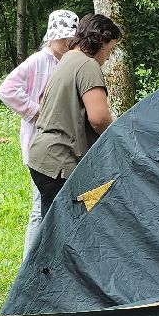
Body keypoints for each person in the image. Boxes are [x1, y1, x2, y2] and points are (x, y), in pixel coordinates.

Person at [0, 9, 79, 260]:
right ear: (52, 37)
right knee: (39, 206)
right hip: (39, 145)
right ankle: (29, 263)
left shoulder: (71, 61)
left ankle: (55, 257)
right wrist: (37, 112)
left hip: (64, 145)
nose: (66, 43)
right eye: (62, 38)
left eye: (70, 38)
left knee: (59, 203)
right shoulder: (38, 62)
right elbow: (7, 89)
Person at [28, 14, 123, 210]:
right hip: (60, 161)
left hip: (43, 157)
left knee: (53, 222)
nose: (109, 56)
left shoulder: (67, 59)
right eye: (111, 49)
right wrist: (120, 140)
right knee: (72, 221)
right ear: (100, 42)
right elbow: (99, 119)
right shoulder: (87, 65)